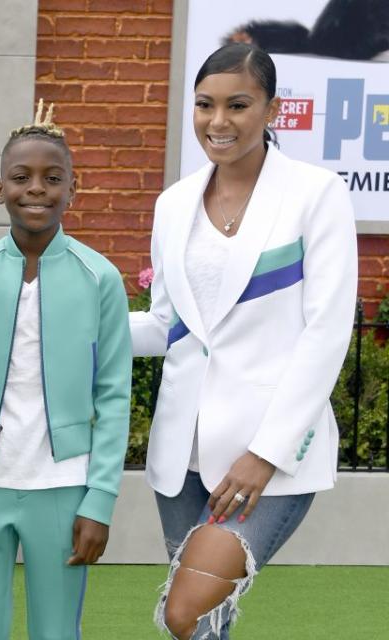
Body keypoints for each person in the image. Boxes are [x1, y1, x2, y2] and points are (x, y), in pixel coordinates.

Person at [129, 43, 357, 639]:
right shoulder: (174, 203)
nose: (218, 121)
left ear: (272, 109)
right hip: (184, 453)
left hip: (268, 457)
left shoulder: (315, 193)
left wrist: (266, 453)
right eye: (205, 105)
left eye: (238, 104)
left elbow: (327, 331)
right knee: (206, 627)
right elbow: (166, 326)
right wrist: (68, 325)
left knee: (186, 613)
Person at [0, 100, 132, 639]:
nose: (36, 188)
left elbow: (113, 396)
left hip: (64, 488)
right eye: (20, 177)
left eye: (51, 177)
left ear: (72, 187)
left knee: (57, 632)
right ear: (0, 189)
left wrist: (100, 498)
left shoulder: (100, 278)